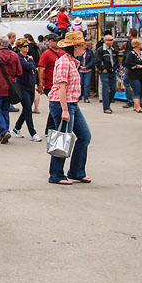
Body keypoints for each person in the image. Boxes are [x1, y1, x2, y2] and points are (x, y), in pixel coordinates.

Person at [47, 31, 92, 185]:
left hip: (71, 103)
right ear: (74, 47)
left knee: (84, 136)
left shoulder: (72, 61)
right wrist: (65, 110)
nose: (84, 47)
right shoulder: (64, 62)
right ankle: (56, 174)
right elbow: (61, 87)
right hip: (62, 104)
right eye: (81, 45)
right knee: (63, 138)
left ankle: (76, 171)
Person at [0, 35, 22, 144]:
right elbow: (19, 72)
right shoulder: (14, 56)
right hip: (9, 88)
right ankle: (5, 132)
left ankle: (4, 132)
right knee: (5, 110)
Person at [12, 38, 41, 142]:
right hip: (22, 86)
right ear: (19, 48)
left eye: (27, 46)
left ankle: (17, 127)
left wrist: (31, 61)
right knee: (28, 109)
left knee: (27, 108)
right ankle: (33, 133)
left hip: (30, 85)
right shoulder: (19, 57)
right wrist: (31, 61)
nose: (27, 48)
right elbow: (29, 66)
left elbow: (31, 66)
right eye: (24, 46)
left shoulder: (27, 58)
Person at [123, 38, 142, 113]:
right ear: (137, 45)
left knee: (141, 90)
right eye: (141, 43)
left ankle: (136, 105)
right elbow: (129, 64)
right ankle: (138, 107)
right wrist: (139, 66)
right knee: (136, 90)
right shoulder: (131, 54)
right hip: (133, 75)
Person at [95, 33, 119, 114]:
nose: (112, 41)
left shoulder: (113, 50)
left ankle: (108, 103)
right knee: (106, 89)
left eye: (112, 39)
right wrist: (102, 68)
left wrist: (116, 68)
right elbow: (97, 61)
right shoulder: (100, 50)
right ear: (105, 41)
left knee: (114, 89)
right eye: (110, 40)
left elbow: (116, 60)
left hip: (113, 71)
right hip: (105, 72)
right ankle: (106, 107)